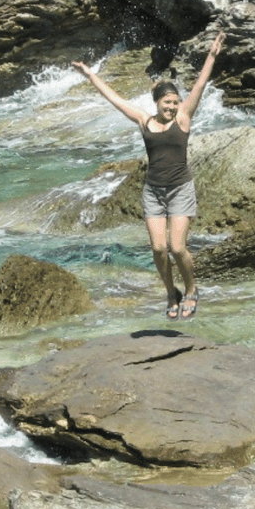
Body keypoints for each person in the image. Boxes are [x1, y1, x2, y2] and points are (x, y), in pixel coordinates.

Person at [72, 31, 225, 320]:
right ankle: (171, 292)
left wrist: (212, 55)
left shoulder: (183, 118)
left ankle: (191, 289)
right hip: (153, 192)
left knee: (178, 248)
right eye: (167, 102)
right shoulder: (144, 121)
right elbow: (115, 100)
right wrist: (90, 75)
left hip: (180, 188)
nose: (172, 107)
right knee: (158, 248)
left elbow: (201, 84)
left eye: (175, 102)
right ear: (156, 103)